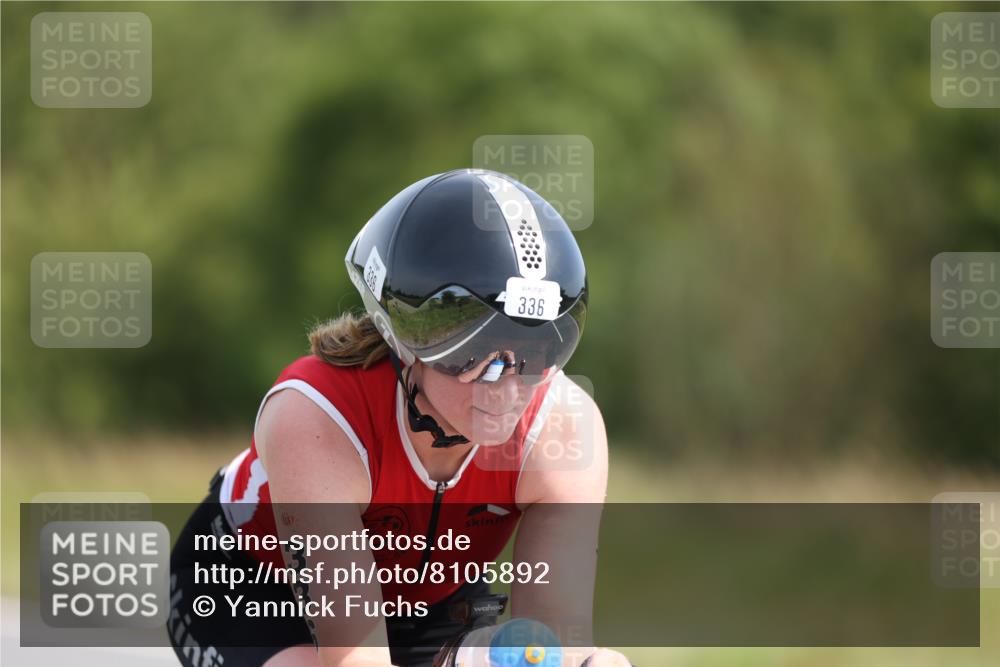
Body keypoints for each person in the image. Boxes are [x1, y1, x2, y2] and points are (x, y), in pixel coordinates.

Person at [168, 169, 633, 667]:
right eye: (475, 354)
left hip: (428, 603)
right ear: (401, 339)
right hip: (254, 592)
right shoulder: (315, 416)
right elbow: (355, 659)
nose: (508, 386)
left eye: (538, 351)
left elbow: (555, 636)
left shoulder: (560, 426)